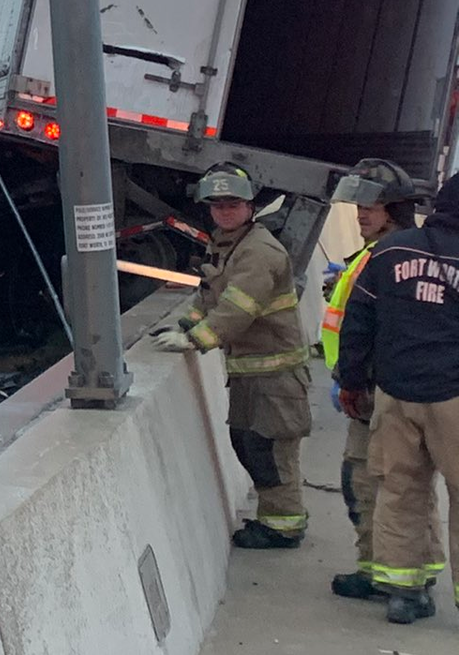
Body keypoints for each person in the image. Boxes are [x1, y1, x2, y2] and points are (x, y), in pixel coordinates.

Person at [152, 163, 310, 547]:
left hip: (276, 377)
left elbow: (238, 309)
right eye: (217, 204)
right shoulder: (226, 243)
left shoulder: (259, 252)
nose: (224, 211)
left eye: (232, 204)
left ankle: (283, 527)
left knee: (271, 452)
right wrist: (186, 326)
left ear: (250, 205)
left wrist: (196, 340)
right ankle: (275, 519)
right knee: (250, 444)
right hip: (252, 374)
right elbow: (209, 296)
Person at [336, 173, 459, 625]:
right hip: (454, 396)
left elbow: (359, 321)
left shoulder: (391, 251)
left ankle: (404, 594)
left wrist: (351, 381)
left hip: (394, 392)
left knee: (399, 489)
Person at [318, 159, 442, 601]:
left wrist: (352, 381)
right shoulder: (388, 253)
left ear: (396, 209)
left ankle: (380, 570)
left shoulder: (386, 256)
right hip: (380, 386)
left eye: (372, 206)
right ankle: (413, 572)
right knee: (408, 485)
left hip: (373, 392)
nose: (361, 213)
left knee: (371, 484)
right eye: (359, 206)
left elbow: (367, 325)